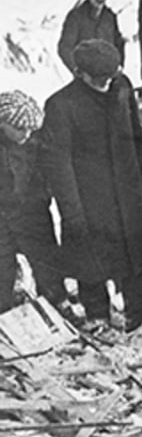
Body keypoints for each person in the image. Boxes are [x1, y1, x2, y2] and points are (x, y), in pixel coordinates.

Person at [40, 39, 142, 329]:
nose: (106, 84)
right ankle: (98, 318)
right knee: (91, 264)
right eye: (99, 80)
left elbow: (136, 136)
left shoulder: (123, 86)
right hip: (90, 200)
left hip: (128, 194)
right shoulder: (61, 105)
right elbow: (58, 164)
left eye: (110, 77)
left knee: (136, 259)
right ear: (80, 73)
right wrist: (72, 212)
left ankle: (138, 316)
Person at [0, 92, 65, 313]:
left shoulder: (37, 142)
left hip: (32, 213)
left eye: (30, 129)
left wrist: (41, 198)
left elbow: (50, 173)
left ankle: (55, 306)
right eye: (20, 129)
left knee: (46, 263)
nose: (26, 134)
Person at [57, 0, 125, 76]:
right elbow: (65, 47)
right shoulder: (76, 17)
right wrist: (77, 69)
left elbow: (118, 43)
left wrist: (118, 66)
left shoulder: (110, 17)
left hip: (107, 75)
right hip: (85, 77)